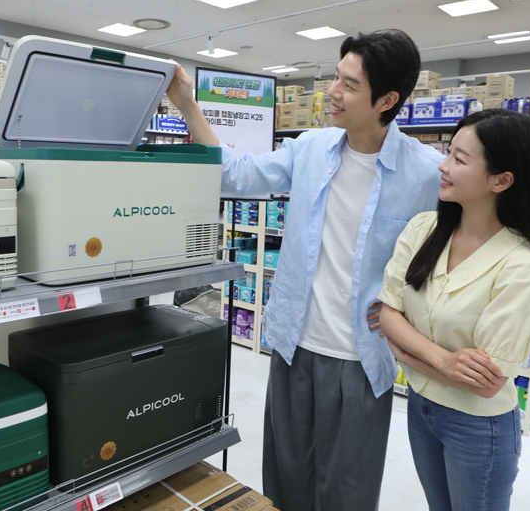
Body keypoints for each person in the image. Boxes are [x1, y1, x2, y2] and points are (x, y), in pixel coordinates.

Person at [166, 29, 444, 510]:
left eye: (350, 85)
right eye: (336, 78)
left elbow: (449, 254)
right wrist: (188, 105)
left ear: (387, 100)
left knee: (348, 493)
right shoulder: (310, 148)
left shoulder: (427, 172)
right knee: (284, 481)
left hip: (361, 358)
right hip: (293, 345)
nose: (333, 92)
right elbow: (237, 174)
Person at [377, 109, 530, 511]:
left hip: (478, 427)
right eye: (448, 152)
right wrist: (443, 360)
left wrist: (405, 353)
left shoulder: (523, 265)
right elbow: (386, 313)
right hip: (421, 407)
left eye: (459, 159)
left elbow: (485, 384)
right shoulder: (423, 229)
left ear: (501, 180)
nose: (442, 166)